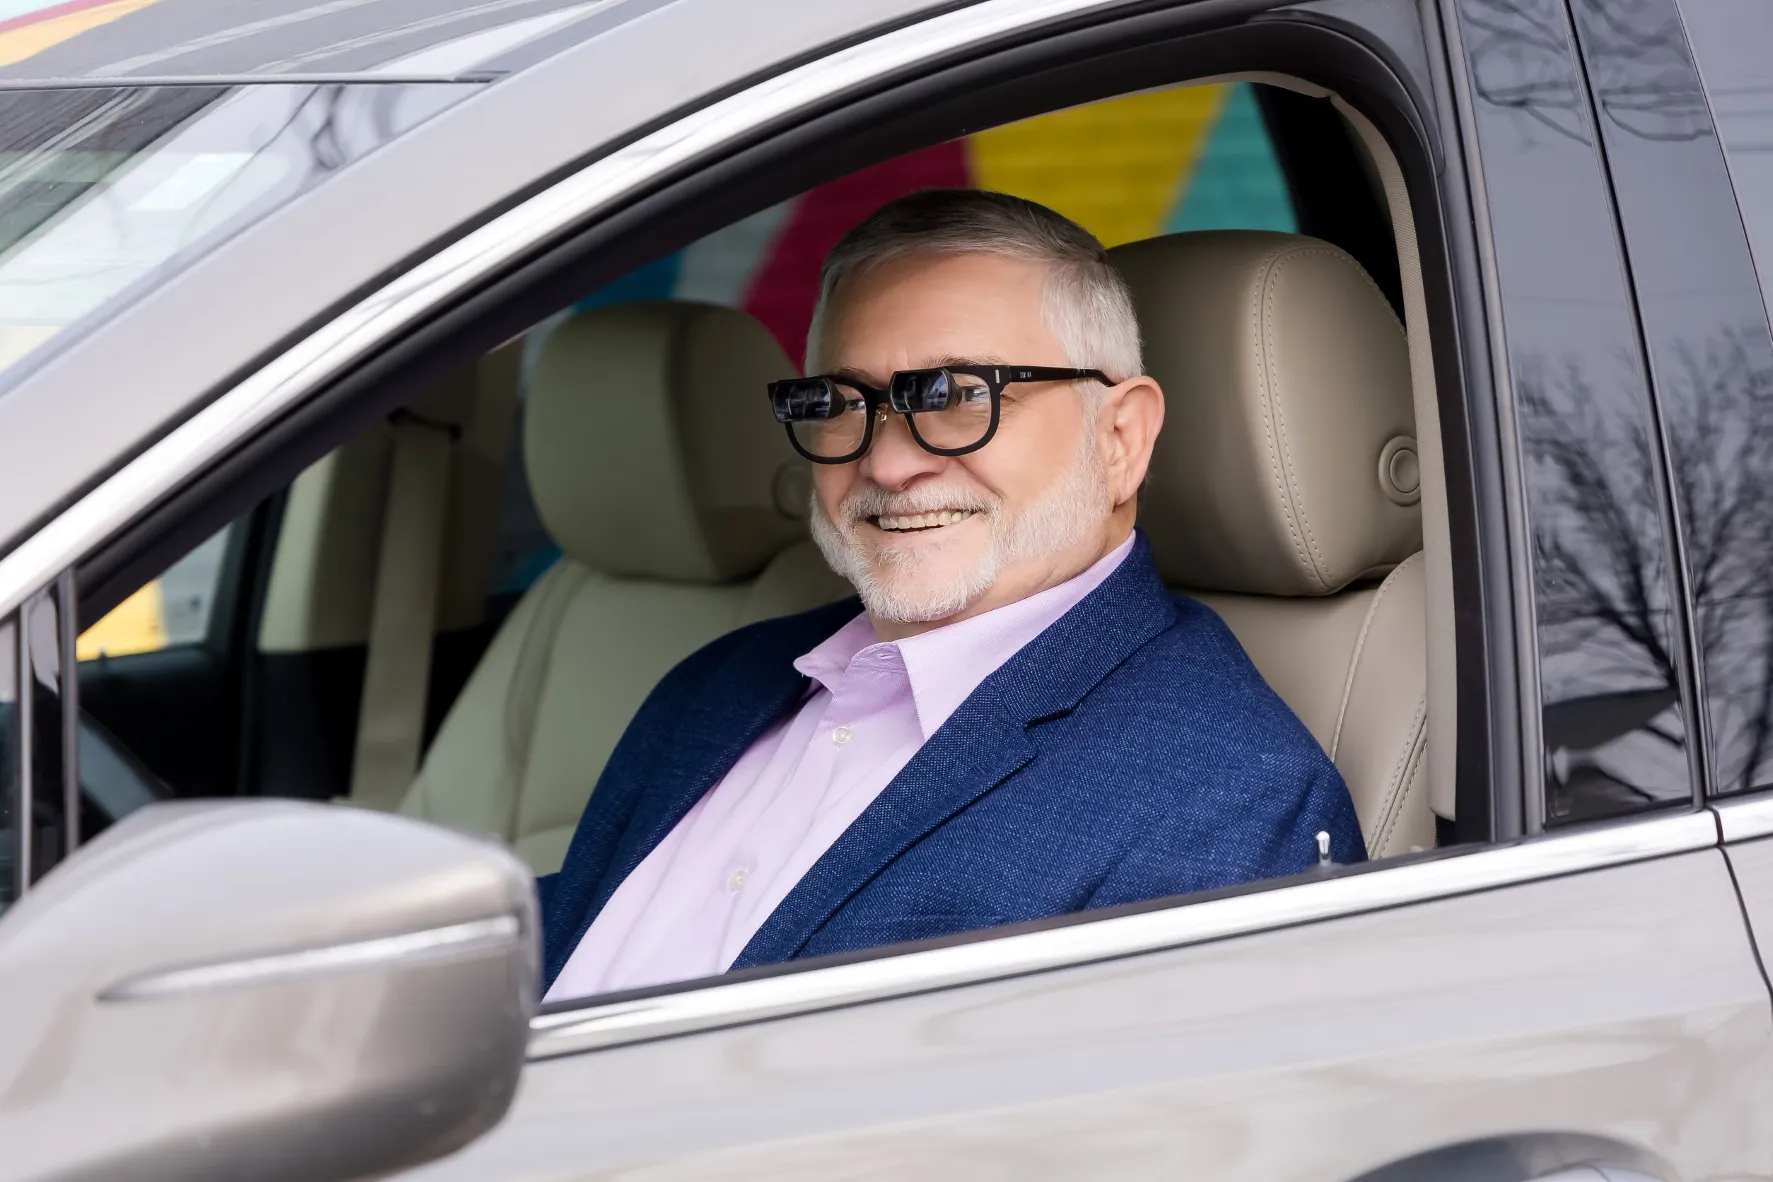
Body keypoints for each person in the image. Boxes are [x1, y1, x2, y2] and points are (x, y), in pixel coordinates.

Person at [539, 189, 1364, 1001]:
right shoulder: (716, 686)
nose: (888, 465)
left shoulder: (1224, 806)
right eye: (844, 403)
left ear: (1120, 439)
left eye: (958, 395)